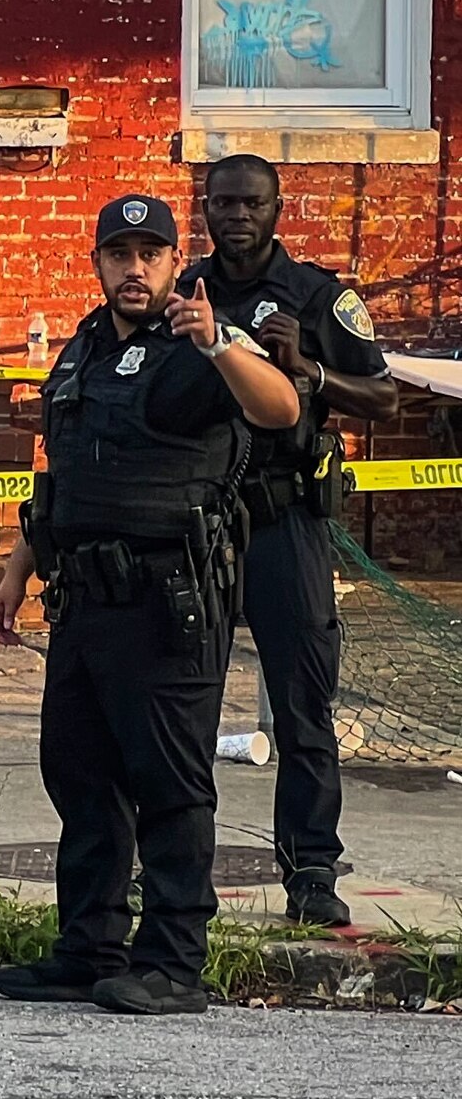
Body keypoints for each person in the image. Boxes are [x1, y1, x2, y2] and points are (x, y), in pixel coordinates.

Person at [0, 193, 301, 1016]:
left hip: (169, 602)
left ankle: (172, 961)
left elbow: (282, 408)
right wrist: (18, 567)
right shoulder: (84, 348)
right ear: (97, 264)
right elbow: (65, 472)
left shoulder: (198, 347)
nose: (135, 268)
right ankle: (88, 948)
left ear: (173, 263)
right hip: (83, 599)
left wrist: (221, 344)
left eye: (151, 254)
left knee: (169, 786)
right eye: (119, 254)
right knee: (80, 775)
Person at [186, 154, 395, 929]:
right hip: (203, 524)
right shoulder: (187, 295)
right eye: (223, 203)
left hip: (286, 523)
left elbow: (380, 395)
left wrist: (310, 372)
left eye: (251, 203)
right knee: (185, 705)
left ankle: (310, 870)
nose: (236, 215)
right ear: (205, 210)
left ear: (279, 208)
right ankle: (173, 867)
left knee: (304, 708)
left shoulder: (318, 296)